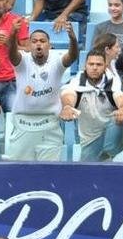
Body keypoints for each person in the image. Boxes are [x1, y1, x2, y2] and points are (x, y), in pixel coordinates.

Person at [6, 25, 78, 161]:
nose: (38, 44)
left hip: (50, 124)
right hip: (23, 123)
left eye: (42, 41)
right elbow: (11, 54)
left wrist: (73, 39)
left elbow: (72, 56)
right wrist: (13, 34)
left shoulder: (57, 60)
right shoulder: (22, 61)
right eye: (34, 41)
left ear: (49, 45)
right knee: (19, 171)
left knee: (48, 172)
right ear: (29, 45)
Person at [61, 47, 123, 161]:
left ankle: (107, 154)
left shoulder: (115, 82)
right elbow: (68, 94)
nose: (95, 68)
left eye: (99, 64)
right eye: (91, 64)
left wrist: (122, 108)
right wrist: (67, 107)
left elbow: (120, 97)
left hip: (113, 135)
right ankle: (104, 159)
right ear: (85, 66)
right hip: (90, 139)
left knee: (117, 116)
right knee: (86, 174)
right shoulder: (75, 81)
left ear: (105, 67)